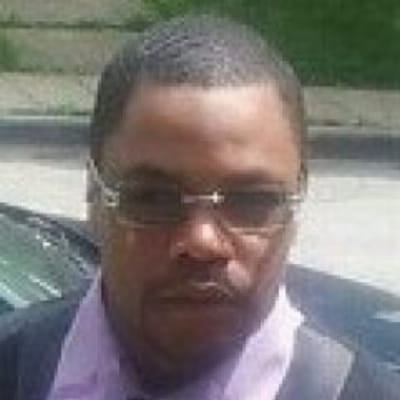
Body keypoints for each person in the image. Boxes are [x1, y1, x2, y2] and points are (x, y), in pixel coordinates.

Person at [0, 15, 399, 400]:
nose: (202, 242)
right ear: (93, 193)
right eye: (154, 198)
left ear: (297, 199)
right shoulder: (14, 367)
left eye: (251, 200)